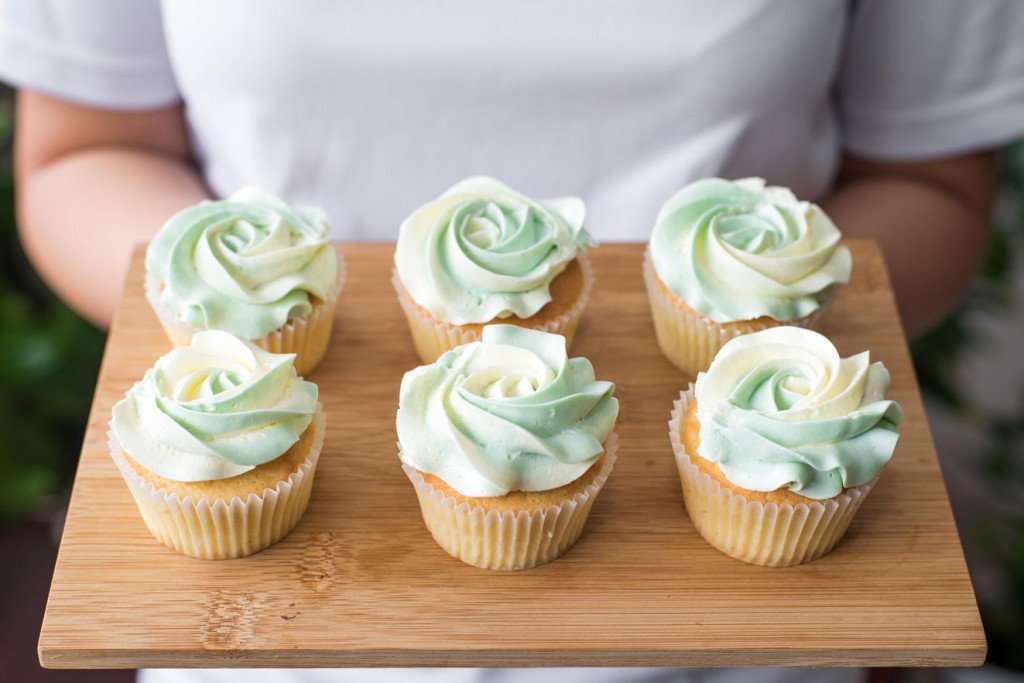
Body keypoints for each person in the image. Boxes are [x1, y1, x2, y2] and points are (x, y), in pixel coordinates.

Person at [2, 1, 1023, 682]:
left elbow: (930, 175)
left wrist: (777, 359)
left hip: (744, 640)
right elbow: (91, 147)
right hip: (256, 636)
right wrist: (216, 355)